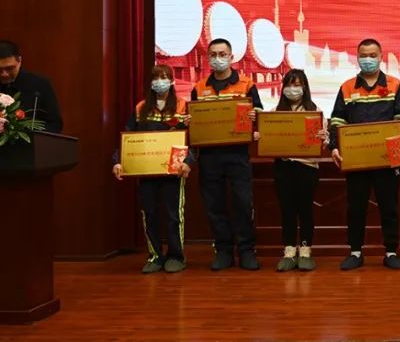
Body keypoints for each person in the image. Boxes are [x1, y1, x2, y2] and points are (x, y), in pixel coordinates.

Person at [328, 39, 400, 271]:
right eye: (363, 55)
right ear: (357, 57)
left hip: (387, 159)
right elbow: (337, 120)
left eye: (372, 55)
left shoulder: (394, 85)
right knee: (355, 207)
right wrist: (334, 146)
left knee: (389, 206)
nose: (368, 59)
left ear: (380, 56)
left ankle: (391, 251)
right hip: (356, 160)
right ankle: (355, 252)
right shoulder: (347, 87)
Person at [191, 38, 264, 271]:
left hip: (237, 155)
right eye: (213, 54)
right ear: (207, 58)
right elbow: (194, 120)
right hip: (209, 156)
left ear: (231, 57)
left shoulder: (246, 85)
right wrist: (191, 122)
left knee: (243, 203)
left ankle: (246, 250)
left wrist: (255, 116)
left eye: (222, 54)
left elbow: (259, 113)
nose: (217, 58)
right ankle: (223, 251)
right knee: (215, 205)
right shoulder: (199, 88)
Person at [111, 65, 192, 273]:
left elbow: (191, 137)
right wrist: (118, 161)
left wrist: (188, 162)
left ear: (172, 81)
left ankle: (176, 256)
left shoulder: (183, 106)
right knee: (150, 213)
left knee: (174, 215)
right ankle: (155, 255)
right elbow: (128, 137)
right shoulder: (141, 108)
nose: (159, 82)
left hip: (174, 170)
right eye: (155, 78)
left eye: (164, 77)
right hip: (146, 170)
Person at [271, 69, 328, 272]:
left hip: (307, 168)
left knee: (305, 210)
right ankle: (288, 251)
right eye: (289, 85)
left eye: (297, 85)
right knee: (287, 210)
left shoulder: (315, 111)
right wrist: (262, 137)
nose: (292, 89)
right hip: (283, 168)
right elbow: (269, 140)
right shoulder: (274, 113)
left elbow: (324, 143)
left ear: (304, 87)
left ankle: (305, 251)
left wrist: (324, 137)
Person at [0, 40, 63, 133]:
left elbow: (54, 124)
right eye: (0, 69)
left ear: (19, 61)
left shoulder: (39, 84)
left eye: (9, 68)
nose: (4, 74)